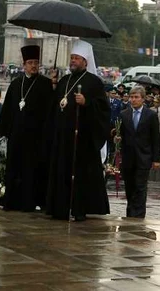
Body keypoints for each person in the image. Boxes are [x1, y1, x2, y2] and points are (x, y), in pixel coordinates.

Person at [46, 40, 110, 221]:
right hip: (62, 139)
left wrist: (87, 103)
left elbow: (104, 110)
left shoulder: (94, 82)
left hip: (82, 141)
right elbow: (56, 105)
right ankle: (59, 208)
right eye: (72, 58)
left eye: (77, 58)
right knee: (61, 173)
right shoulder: (64, 80)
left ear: (85, 61)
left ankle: (79, 209)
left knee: (80, 176)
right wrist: (53, 86)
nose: (73, 61)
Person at [0, 46, 54, 212]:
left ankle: (30, 202)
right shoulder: (16, 84)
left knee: (32, 171)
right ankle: (12, 201)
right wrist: (0, 131)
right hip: (16, 136)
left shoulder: (45, 84)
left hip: (36, 138)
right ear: (24, 65)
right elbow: (7, 109)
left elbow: (50, 111)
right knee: (14, 169)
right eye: (30, 63)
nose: (33, 66)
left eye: (36, 62)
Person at [114, 86, 160, 218]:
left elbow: (155, 139)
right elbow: (120, 134)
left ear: (143, 99)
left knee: (140, 187)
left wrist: (156, 160)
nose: (133, 100)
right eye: (131, 97)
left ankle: (138, 215)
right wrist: (117, 139)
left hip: (143, 157)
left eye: (136, 97)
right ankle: (130, 213)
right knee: (130, 187)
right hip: (128, 157)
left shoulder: (150, 115)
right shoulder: (124, 114)